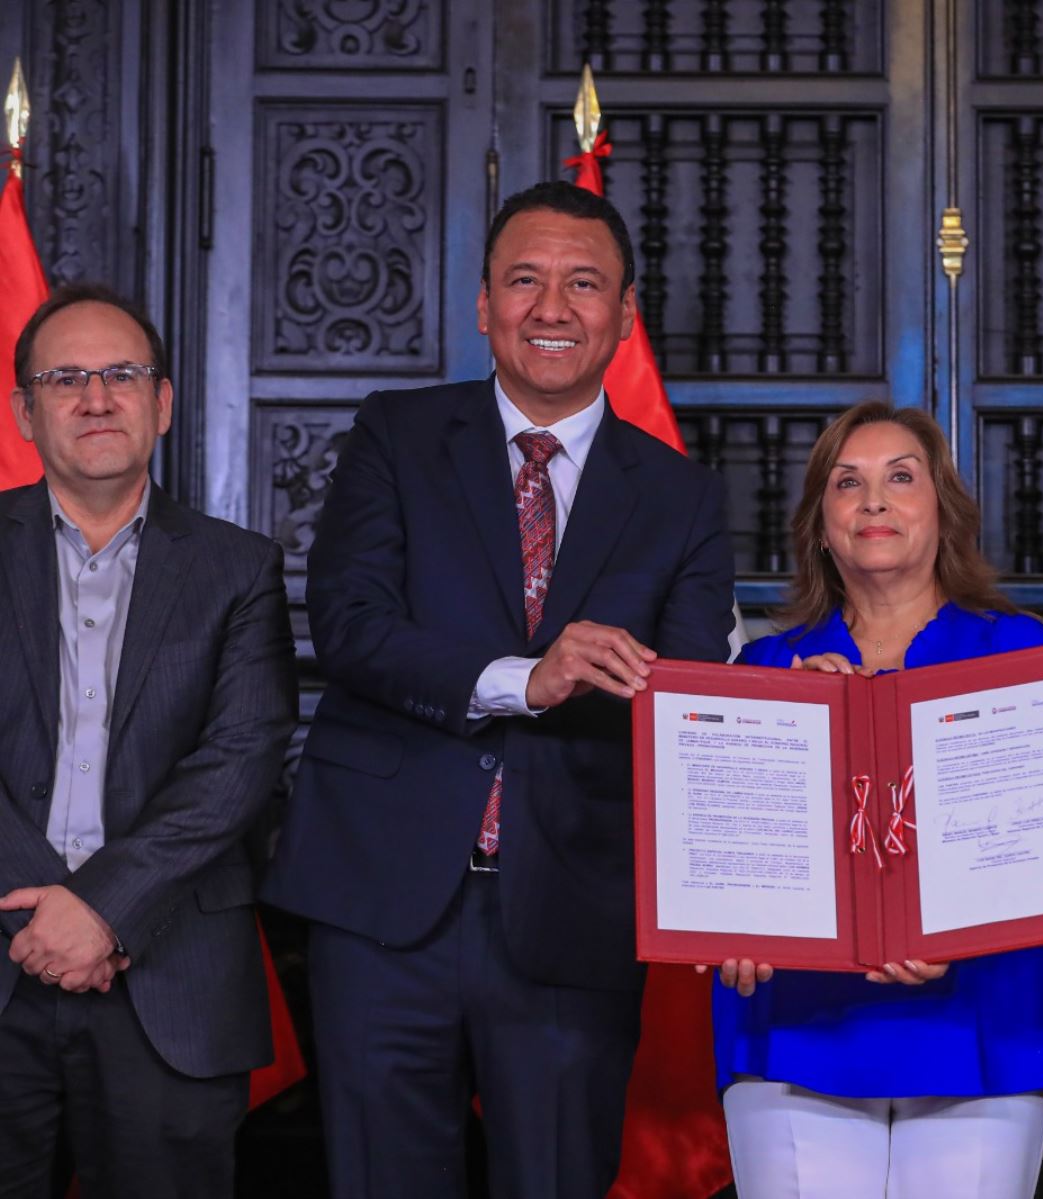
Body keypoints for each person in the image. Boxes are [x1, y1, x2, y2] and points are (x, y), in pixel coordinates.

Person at [260, 181, 737, 1197]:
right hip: (383, 902)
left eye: (583, 284)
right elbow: (350, 626)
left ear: (625, 313)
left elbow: (690, 700)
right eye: (524, 280)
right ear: (483, 303)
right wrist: (529, 678)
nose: (551, 307)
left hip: (574, 910)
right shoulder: (396, 433)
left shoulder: (682, 494)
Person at [707, 401, 1043, 1199]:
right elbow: (731, 863)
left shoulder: (1021, 651)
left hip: (983, 1012)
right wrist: (732, 924)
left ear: (944, 511)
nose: (873, 501)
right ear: (821, 524)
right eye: (848, 483)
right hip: (797, 1022)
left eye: (901, 478)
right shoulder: (763, 673)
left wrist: (959, 933)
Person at [0, 285, 298, 1197]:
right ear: (24, 411)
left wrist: (99, 908)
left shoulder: (238, 567)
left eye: (122, 375)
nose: (96, 398)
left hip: (171, 971)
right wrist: (48, 913)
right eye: (65, 379)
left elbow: (242, 758)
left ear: (162, 402)